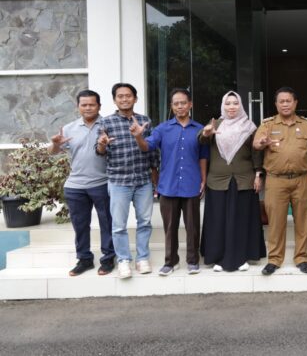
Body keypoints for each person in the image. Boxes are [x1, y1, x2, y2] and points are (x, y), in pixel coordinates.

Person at [130, 88, 209, 276]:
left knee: (193, 227)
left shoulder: (200, 129)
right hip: (168, 185)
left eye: (183, 103)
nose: (180, 106)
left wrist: (203, 179)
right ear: (172, 106)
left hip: (191, 184)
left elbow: (203, 157)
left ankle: (192, 261)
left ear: (190, 105)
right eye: (176, 103)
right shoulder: (162, 129)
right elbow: (146, 147)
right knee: (170, 227)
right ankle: (170, 262)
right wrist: (139, 136)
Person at [253, 87, 307, 276]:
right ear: (276, 104)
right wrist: (262, 143)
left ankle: (301, 258)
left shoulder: (306, 125)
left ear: (295, 103)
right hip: (276, 181)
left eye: (288, 101)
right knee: (276, 222)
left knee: (303, 221)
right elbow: (256, 144)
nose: (285, 104)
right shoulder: (268, 125)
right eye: (281, 101)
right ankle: (274, 259)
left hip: (303, 179)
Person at [48, 89, 115, 277]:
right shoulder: (69, 128)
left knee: (107, 224)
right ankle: (84, 259)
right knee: (80, 225)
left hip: (102, 183)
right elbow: (52, 152)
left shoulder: (108, 125)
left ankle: (108, 259)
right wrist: (55, 144)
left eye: (92, 104)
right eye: (84, 105)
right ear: (78, 107)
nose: (88, 108)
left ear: (99, 106)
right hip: (75, 186)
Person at [96, 83, 159, 279]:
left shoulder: (145, 121)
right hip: (118, 181)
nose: (124, 99)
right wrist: (102, 145)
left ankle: (142, 258)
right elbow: (99, 152)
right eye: (120, 96)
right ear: (115, 100)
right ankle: (123, 260)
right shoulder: (106, 122)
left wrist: (155, 177)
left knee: (145, 222)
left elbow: (152, 151)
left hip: (143, 180)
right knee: (119, 225)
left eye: (128, 95)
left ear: (135, 98)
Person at [198, 91, 266, 272]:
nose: (231, 107)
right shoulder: (215, 124)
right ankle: (218, 258)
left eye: (235, 103)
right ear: (223, 105)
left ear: (240, 105)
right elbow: (201, 140)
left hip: (244, 180)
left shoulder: (249, 126)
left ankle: (242, 257)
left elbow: (256, 153)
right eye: (228, 103)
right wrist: (205, 133)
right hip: (217, 181)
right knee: (218, 221)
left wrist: (258, 174)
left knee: (242, 220)